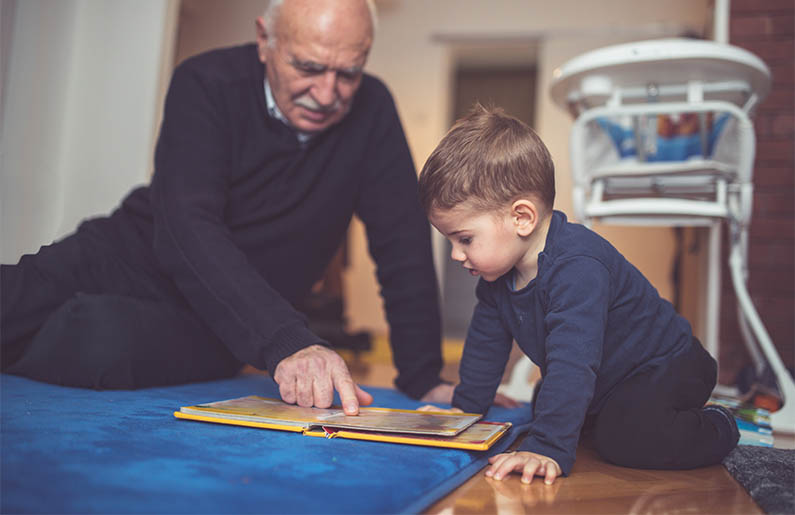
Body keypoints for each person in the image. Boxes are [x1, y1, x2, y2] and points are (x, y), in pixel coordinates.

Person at [1, 0, 452, 414]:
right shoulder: (206, 81)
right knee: (15, 300)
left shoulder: (373, 111)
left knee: (98, 340)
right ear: (264, 41)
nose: (327, 92)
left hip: (221, 322)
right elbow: (187, 226)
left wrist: (424, 376)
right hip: (126, 256)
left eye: (349, 73)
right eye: (308, 67)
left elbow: (403, 244)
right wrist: (286, 341)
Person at [416, 105, 740, 484]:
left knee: (624, 439)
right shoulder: (496, 278)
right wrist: (465, 410)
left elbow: (573, 361)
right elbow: (485, 345)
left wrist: (547, 446)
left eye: (464, 239)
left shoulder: (578, 266)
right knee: (546, 403)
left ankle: (720, 424)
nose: (456, 254)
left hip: (667, 366)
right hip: (609, 376)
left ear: (522, 217)